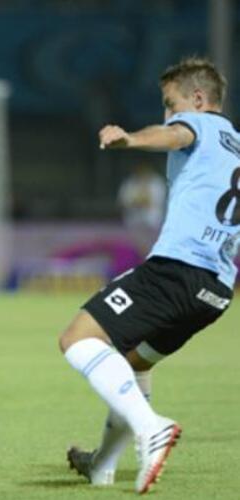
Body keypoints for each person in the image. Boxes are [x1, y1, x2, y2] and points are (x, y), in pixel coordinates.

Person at [59, 57, 237, 494]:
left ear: (198, 100)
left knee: (78, 338)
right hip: (216, 290)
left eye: (170, 103)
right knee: (133, 364)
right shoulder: (236, 142)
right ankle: (102, 465)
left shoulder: (205, 126)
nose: (167, 114)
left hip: (179, 269)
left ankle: (150, 429)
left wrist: (130, 139)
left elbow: (177, 132)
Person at [117, 163, 166, 256]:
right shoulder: (130, 182)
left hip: (152, 223)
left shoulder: (156, 182)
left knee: (152, 247)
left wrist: (139, 200)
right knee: (137, 247)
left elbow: (153, 201)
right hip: (134, 222)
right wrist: (138, 200)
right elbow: (123, 201)